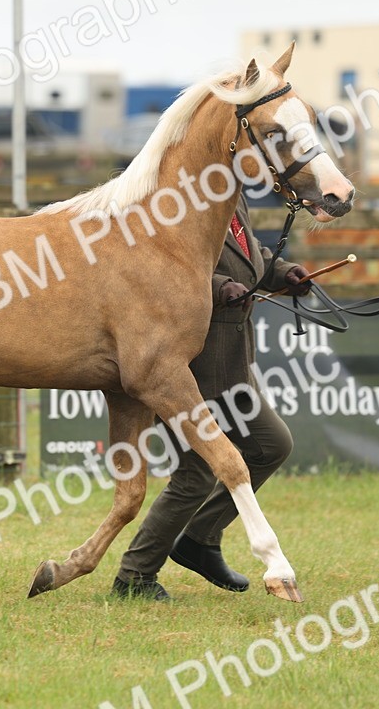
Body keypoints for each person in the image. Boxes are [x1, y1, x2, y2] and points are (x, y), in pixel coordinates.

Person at [111, 194, 310, 600]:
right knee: (198, 472)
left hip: (231, 365)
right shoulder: (174, 200)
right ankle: (136, 575)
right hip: (186, 367)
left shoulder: (231, 198)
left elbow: (247, 251)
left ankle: (198, 539)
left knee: (268, 447)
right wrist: (220, 287)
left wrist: (284, 273)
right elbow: (163, 264)